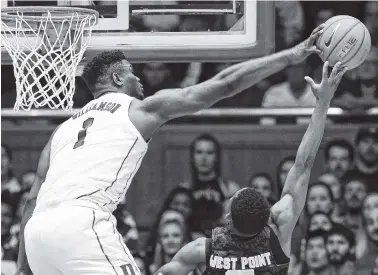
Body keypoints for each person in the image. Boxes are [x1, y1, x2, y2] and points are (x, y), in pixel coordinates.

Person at [17, 24, 326, 275]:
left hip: (37, 234)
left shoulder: (63, 130)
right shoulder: (138, 109)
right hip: (80, 226)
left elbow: (32, 201)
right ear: (116, 78)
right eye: (131, 71)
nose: (138, 77)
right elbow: (225, 84)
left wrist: (22, 264)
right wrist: (291, 56)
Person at [153, 61, 347, 275]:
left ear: (228, 218)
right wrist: (323, 103)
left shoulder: (202, 250)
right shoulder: (279, 229)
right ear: (267, 217)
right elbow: (304, 164)